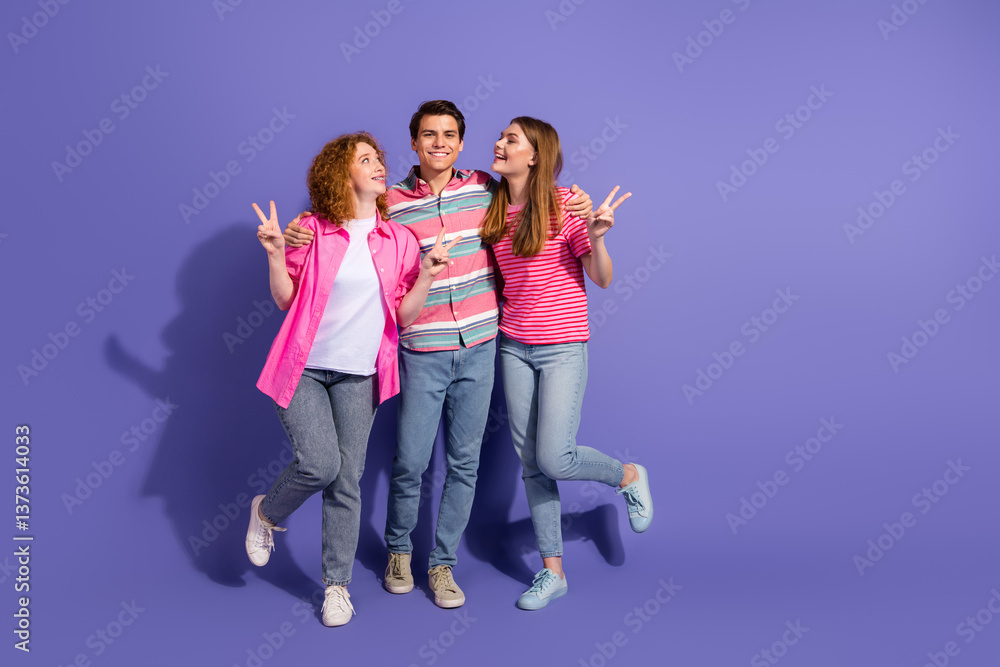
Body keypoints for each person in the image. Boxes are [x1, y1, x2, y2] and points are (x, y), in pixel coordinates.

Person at [283, 101, 592, 608]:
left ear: (461, 142)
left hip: (482, 345)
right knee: (411, 462)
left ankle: (443, 565)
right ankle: (399, 553)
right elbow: (344, 215)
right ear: (414, 142)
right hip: (422, 349)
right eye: (429, 134)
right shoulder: (392, 200)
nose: (439, 142)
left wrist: (575, 200)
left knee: (464, 464)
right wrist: (299, 229)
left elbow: (536, 195)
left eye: (449, 134)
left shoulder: (485, 189)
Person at [245, 132, 460, 627]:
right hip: (303, 368)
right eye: (366, 160)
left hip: (359, 375)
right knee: (319, 465)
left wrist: (426, 275)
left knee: (347, 481)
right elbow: (284, 300)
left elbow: (403, 316)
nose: (380, 165)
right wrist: (277, 254)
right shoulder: (314, 230)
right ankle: (266, 513)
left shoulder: (400, 240)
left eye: (379, 158)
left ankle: (336, 587)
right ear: (343, 175)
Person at [480, 116, 653, 610]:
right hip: (513, 346)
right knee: (533, 465)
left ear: (535, 155)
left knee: (555, 456)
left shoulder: (564, 204)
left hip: (561, 348)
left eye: (511, 139)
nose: (499, 142)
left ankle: (627, 476)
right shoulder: (492, 208)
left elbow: (602, 278)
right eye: (502, 136)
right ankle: (552, 573)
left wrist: (597, 235)